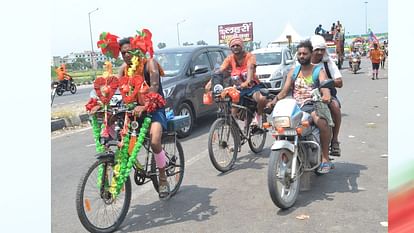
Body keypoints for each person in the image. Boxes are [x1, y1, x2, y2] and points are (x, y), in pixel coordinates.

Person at [267, 40, 333, 173]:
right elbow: (285, 91)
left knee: (322, 122)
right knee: (281, 125)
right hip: (295, 106)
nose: (302, 56)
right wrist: (273, 101)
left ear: (311, 54)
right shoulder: (293, 71)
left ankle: (326, 158)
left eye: (305, 53)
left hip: (313, 104)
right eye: (300, 53)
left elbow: (325, 87)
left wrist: (326, 95)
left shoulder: (318, 70)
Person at [117, 36, 170, 199]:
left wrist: (145, 105)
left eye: (129, 51)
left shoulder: (150, 63)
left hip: (154, 110)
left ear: (138, 50)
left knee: (154, 142)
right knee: (120, 142)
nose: (126, 55)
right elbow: (118, 90)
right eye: (123, 53)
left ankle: (162, 178)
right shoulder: (123, 69)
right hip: (134, 113)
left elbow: (154, 85)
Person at [205, 35, 268, 125]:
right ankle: (233, 127)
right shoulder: (229, 59)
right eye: (233, 46)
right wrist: (211, 82)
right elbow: (221, 70)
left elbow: (250, 68)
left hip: (253, 87)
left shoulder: (249, 57)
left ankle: (258, 117)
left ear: (242, 46)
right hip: (238, 89)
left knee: (261, 99)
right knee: (227, 104)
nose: (235, 47)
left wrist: (247, 81)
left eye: (237, 45)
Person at [310, 35, 343, 157]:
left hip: (325, 95)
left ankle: (334, 141)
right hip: (306, 95)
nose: (319, 52)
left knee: (335, 107)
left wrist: (328, 82)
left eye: (322, 49)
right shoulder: (301, 63)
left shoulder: (327, 63)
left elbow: (339, 81)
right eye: (316, 49)